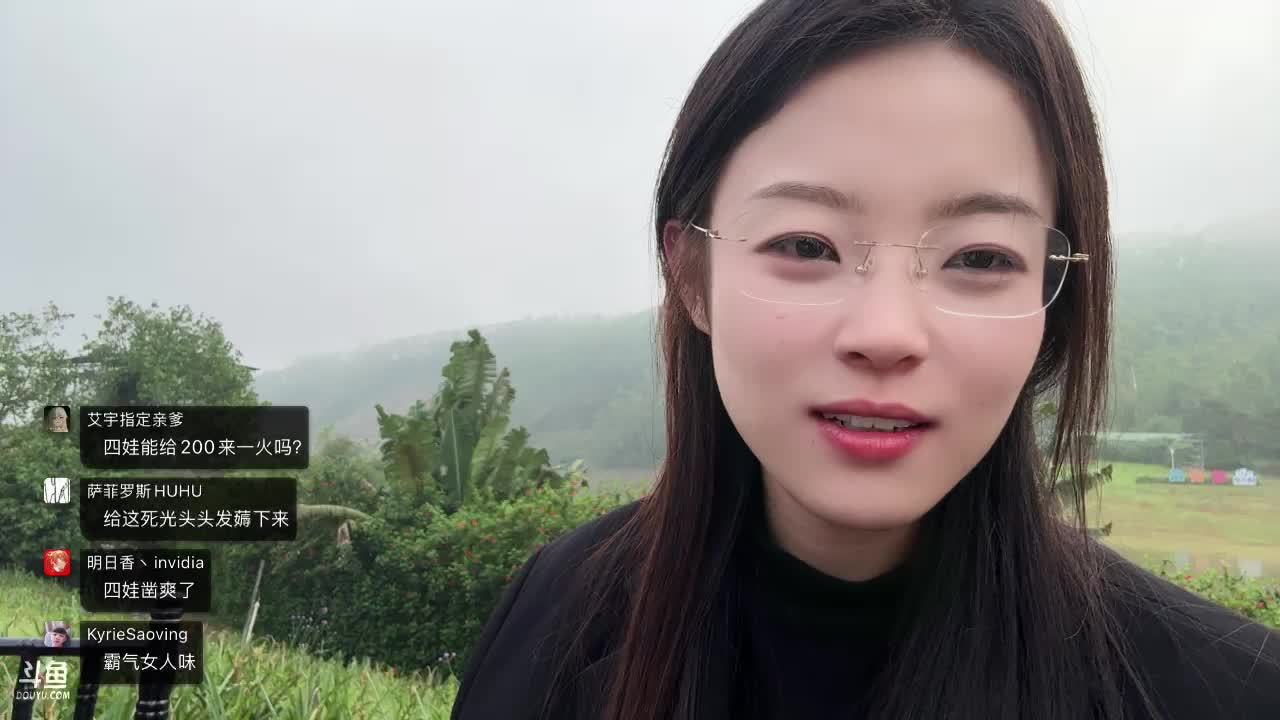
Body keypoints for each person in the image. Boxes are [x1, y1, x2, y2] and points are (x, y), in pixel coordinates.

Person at [451, 1, 1280, 719]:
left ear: (1051, 302)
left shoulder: (1226, 693)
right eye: (805, 245)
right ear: (692, 277)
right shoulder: (552, 618)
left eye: (980, 257)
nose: (887, 333)